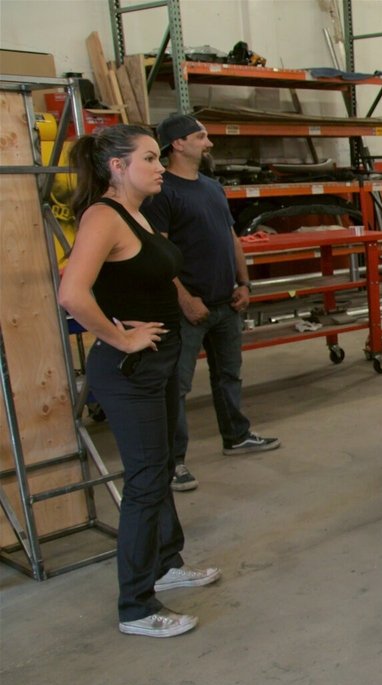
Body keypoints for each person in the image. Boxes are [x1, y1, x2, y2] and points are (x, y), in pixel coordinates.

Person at [58, 124, 221, 638]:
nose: (159, 167)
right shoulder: (103, 217)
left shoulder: (138, 213)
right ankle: (136, 606)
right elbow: (71, 294)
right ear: (117, 167)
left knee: (162, 464)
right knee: (146, 480)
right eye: (149, 158)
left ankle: (166, 563)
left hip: (159, 362)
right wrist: (119, 337)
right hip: (130, 371)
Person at [142, 114, 280, 493]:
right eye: (201, 136)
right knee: (177, 386)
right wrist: (185, 299)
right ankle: (173, 463)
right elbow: (158, 253)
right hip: (188, 308)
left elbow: (231, 238)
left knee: (229, 374)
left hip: (225, 301)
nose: (210, 143)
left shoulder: (212, 187)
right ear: (178, 144)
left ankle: (236, 436)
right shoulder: (162, 193)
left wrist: (244, 282)